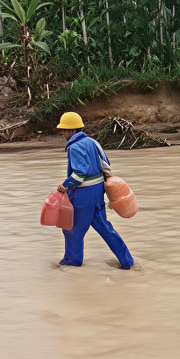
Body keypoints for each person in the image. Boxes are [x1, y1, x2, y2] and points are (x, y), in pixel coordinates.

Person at [55, 112, 134, 269]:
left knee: (72, 229)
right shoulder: (93, 142)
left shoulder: (75, 147)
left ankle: (72, 261)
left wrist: (65, 185)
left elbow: (79, 174)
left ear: (72, 131)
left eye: (64, 130)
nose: (63, 133)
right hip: (98, 192)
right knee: (105, 228)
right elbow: (106, 166)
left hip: (83, 195)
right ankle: (127, 261)